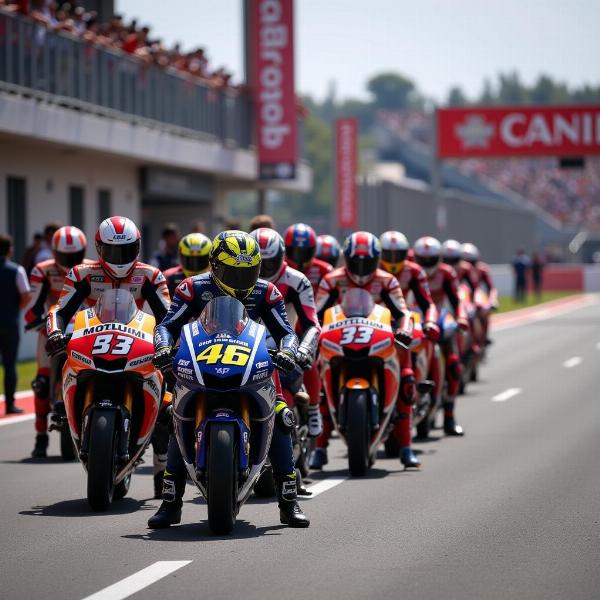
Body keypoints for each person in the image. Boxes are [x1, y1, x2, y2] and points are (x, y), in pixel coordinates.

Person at [149, 230, 310, 528]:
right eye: (233, 272)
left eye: (248, 271)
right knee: (174, 414)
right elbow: (167, 326)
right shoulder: (192, 288)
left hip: (254, 360)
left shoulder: (266, 292)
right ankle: (171, 502)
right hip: (201, 359)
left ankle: (288, 501)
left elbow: (286, 332)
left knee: (281, 416)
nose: (241, 279)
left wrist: (289, 352)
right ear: (215, 265)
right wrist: (162, 347)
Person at [45, 216, 171, 497]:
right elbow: (61, 310)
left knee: (168, 403)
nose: (120, 258)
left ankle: (162, 468)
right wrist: (55, 332)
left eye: (126, 250)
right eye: (113, 252)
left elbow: (168, 316)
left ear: (137, 247)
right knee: (60, 356)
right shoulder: (82, 273)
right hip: (94, 341)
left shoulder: (150, 275)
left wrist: (167, 342)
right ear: (100, 249)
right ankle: (61, 404)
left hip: (136, 341)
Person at [310, 231, 415, 469]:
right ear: (346, 259)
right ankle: (319, 448)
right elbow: (315, 313)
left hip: (379, 337)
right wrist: (312, 333)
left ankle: (406, 447)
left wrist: (405, 330)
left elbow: (402, 312)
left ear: (376, 259)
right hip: (340, 336)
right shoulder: (331, 279)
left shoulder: (388, 280)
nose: (360, 267)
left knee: (407, 382)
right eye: (355, 261)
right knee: (319, 378)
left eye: (365, 261)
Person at [250, 228, 322, 437]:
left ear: (281, 257)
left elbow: (312, 323)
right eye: (259, 264)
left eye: (269, 263)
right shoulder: (236, 278)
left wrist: (305, 349)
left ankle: (314, 407)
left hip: (284, 342)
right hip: (244, 342)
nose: (263, 271)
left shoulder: (297, 280)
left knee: (309, 359)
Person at [25, 226, 88, 458]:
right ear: (54, 252)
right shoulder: (42, 270)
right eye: (65, 256)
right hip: (50, 331)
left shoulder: (90, 269)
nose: (71, 260)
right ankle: (40, 437)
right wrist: (35, 320)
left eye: (75, 255)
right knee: (41, 382)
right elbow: (32, 305)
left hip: (84, 330)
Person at [379, 231, 439, 465]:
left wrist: (431, 321)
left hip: (405, 323)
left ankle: (407, 446)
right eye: (388, 254)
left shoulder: (414, 271)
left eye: (398, 254)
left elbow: (427, 303)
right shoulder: (373, 272)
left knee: (407, 380)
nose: (393, 258)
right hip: (373, 325)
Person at [413, 237, 469, 436]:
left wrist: (461, 317)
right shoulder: (409, 269)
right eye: (422, 259)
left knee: (454, 365)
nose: (426, 264)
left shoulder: (446, 273)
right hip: (412, 320)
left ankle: (449, 416)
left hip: (439, 319)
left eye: (431, 259)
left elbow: (456, 300)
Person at [0, 234, 31, 415]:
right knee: (10, 365)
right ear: (9, 250)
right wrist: (16, 308)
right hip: (10, 322)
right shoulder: (16, 270)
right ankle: (10, 404)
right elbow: (26, 295)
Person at [462, 242, 498, 345]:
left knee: (484, 311)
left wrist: (492, 300)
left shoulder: (482, 269)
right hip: (462, 295)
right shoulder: (456, 270)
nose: (468, 266)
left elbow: (491, 287)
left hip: (476, 294)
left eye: (471, 262)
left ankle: (484, 336)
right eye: (465, 262)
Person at [284, 223, 333, 293]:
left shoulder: (325, 270)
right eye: (295, 252)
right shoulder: (280, 269)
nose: (300, 257)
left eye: (304, 252)